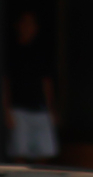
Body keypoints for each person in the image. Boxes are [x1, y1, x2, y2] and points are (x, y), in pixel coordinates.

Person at [8, 10, 57, 160]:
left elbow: (46, 83)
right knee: (20, 154)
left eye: (31, 24)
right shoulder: (12, 52)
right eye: (25, 23)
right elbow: (5, 83)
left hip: (40, 109)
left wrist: (51, 110)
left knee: (45, 153)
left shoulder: (41, 53)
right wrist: (6, 111)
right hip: (18, 110)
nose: (28, 27)